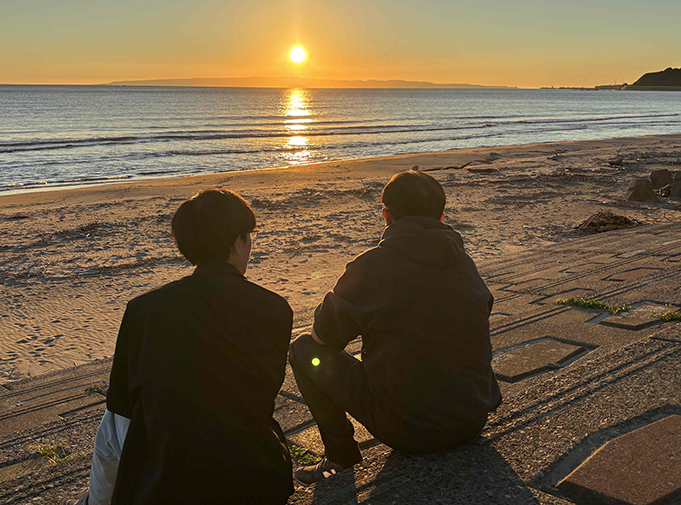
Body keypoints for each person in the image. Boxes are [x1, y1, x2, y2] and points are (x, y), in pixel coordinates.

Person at [69, 189, 294, 505]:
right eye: (248, 237)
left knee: (111, 427)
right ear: (237, 242)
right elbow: (262, 390)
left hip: (167, 488)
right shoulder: (275, 309)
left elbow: (122, 404)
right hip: (259, 479)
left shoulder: (143, 310)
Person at [288, 170, 502, 485]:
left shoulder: (372, 265)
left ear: (386, 215)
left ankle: (340, 456)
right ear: (442, 216)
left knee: (303, 350)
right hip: (473, 418)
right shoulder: (464, 262)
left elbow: (323, 338)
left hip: (411, 431)